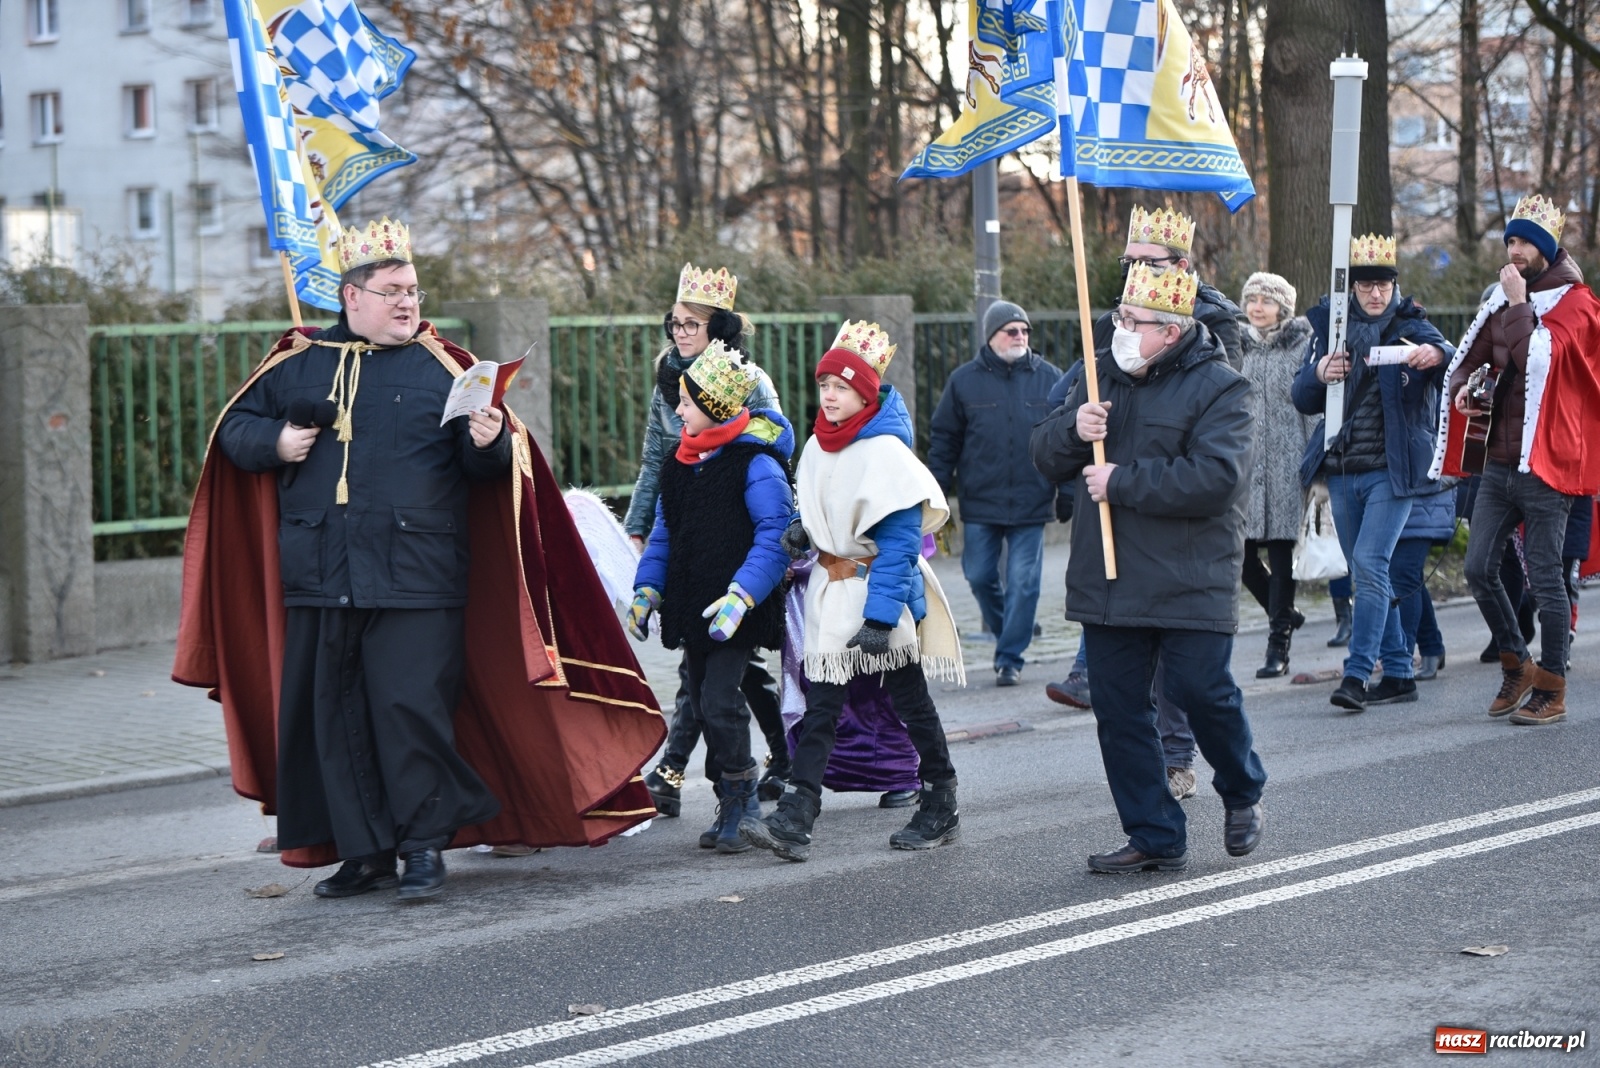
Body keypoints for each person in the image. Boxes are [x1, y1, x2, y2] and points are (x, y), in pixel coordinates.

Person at [175, 218, 664, 900]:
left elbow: (488, 469)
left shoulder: (448, 366)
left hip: (418, 575)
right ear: (352, 298)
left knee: (410, 712)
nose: (409, 301)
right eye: (393, 290)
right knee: (336, 718)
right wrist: (278, 441)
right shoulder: (296, 363)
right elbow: (235, 429)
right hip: (320, 575)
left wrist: (491, 438)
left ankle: (425, 846)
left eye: (414, 289)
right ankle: (366, 851)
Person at [1030, 264, 1267, 873]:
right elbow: (1042, 454)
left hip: (1191, 575)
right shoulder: (1095, 370)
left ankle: (1241, 790)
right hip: (1108, 578)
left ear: (1172, 330)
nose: (1121, 331)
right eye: (1120, 318)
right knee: (1119, 712)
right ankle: (1155, 832)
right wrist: (1072, 430)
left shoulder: (1222, 388)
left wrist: (1123, 482)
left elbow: (1219, 480)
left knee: (1201, 692)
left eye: (1135, 323)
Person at [741, 320, 965, 862]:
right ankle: (797, 817)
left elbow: (899, 545)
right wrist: (804, 529)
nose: (831, 396)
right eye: (825, 387)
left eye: (841, 387)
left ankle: (940, 801)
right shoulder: (819, 444)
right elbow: (821, 505)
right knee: (823, 709)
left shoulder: (887, 453)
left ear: (865, 392)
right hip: (830, 594)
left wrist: (883, 620)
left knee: (912, 703)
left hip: (875, 597)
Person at [625, 264, 793, 815]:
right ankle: (772, 760)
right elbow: (657, 457)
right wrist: (639, 524)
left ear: (717, 328)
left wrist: (721, 463)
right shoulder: (667, 378)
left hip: (737, 542)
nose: (679, 332)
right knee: (722, 673)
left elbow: (771, 451)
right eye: (674, 323)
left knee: (717, 677)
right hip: (689, 531)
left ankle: (678, 774)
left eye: (690, 324)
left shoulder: (750, 380)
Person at [1433, 193, 1600, 725]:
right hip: (1499, 463)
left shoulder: (1578, 304)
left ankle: (1553, 685)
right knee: (1480, 569)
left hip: (1549, 466)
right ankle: (1516, 661)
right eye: (1510, 239)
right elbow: (1466, 359)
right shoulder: (1502, 300)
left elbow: (1538, 363)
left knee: (1546, 578)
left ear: (1547, 249)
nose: (1515, 248)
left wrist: (1518, 303)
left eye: (1525, 240)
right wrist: (1462, 390)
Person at [1291, 234, 1452, 713]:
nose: (1376, 294)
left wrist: (1437, 357)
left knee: (1369, 564)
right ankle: (1400, 671)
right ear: (1353, 290)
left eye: (1383, 285)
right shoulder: (1329, 329)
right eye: (1366, 287)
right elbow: (1302, 396)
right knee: (1366, 568)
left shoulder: (1411, 324)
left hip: (1392, 471)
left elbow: (1450, 356)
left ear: (1393, 287)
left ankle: (1358, 674)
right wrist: (1319, 372)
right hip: (1342, 469)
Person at [927, 299, 1063, 686]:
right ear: (991, 337)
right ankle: (1013, 632)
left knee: (1023, 582)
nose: (1021, 337)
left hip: (1032, 499)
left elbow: (1067, 440)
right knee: (979, 574)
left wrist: (1066, 490)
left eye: (1025, 331)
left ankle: (1009, 657)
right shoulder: (963, 381)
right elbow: (944, 440)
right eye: (1012, 331)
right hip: (981, 499)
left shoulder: (1049, 378)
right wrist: (935, 491)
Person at [1237, 272, 1315, 677]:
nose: (1257, 308)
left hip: (1289, 466)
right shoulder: (1237, 347)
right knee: (1241, 555)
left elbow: (1311, 406)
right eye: (1252, 300)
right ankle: (1283, 611)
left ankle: (1278, 645)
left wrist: (1315, 466)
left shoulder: (1302, 347)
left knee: (1282, 555)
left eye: (1266, 301)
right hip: (1247, 468)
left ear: (1282, 306)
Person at [1389, 482, 1456, 680]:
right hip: (1402, 492)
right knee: (1409, 576)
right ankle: (1431, 647)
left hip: (1426, 492)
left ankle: (1402, 660)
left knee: (1404, 573)